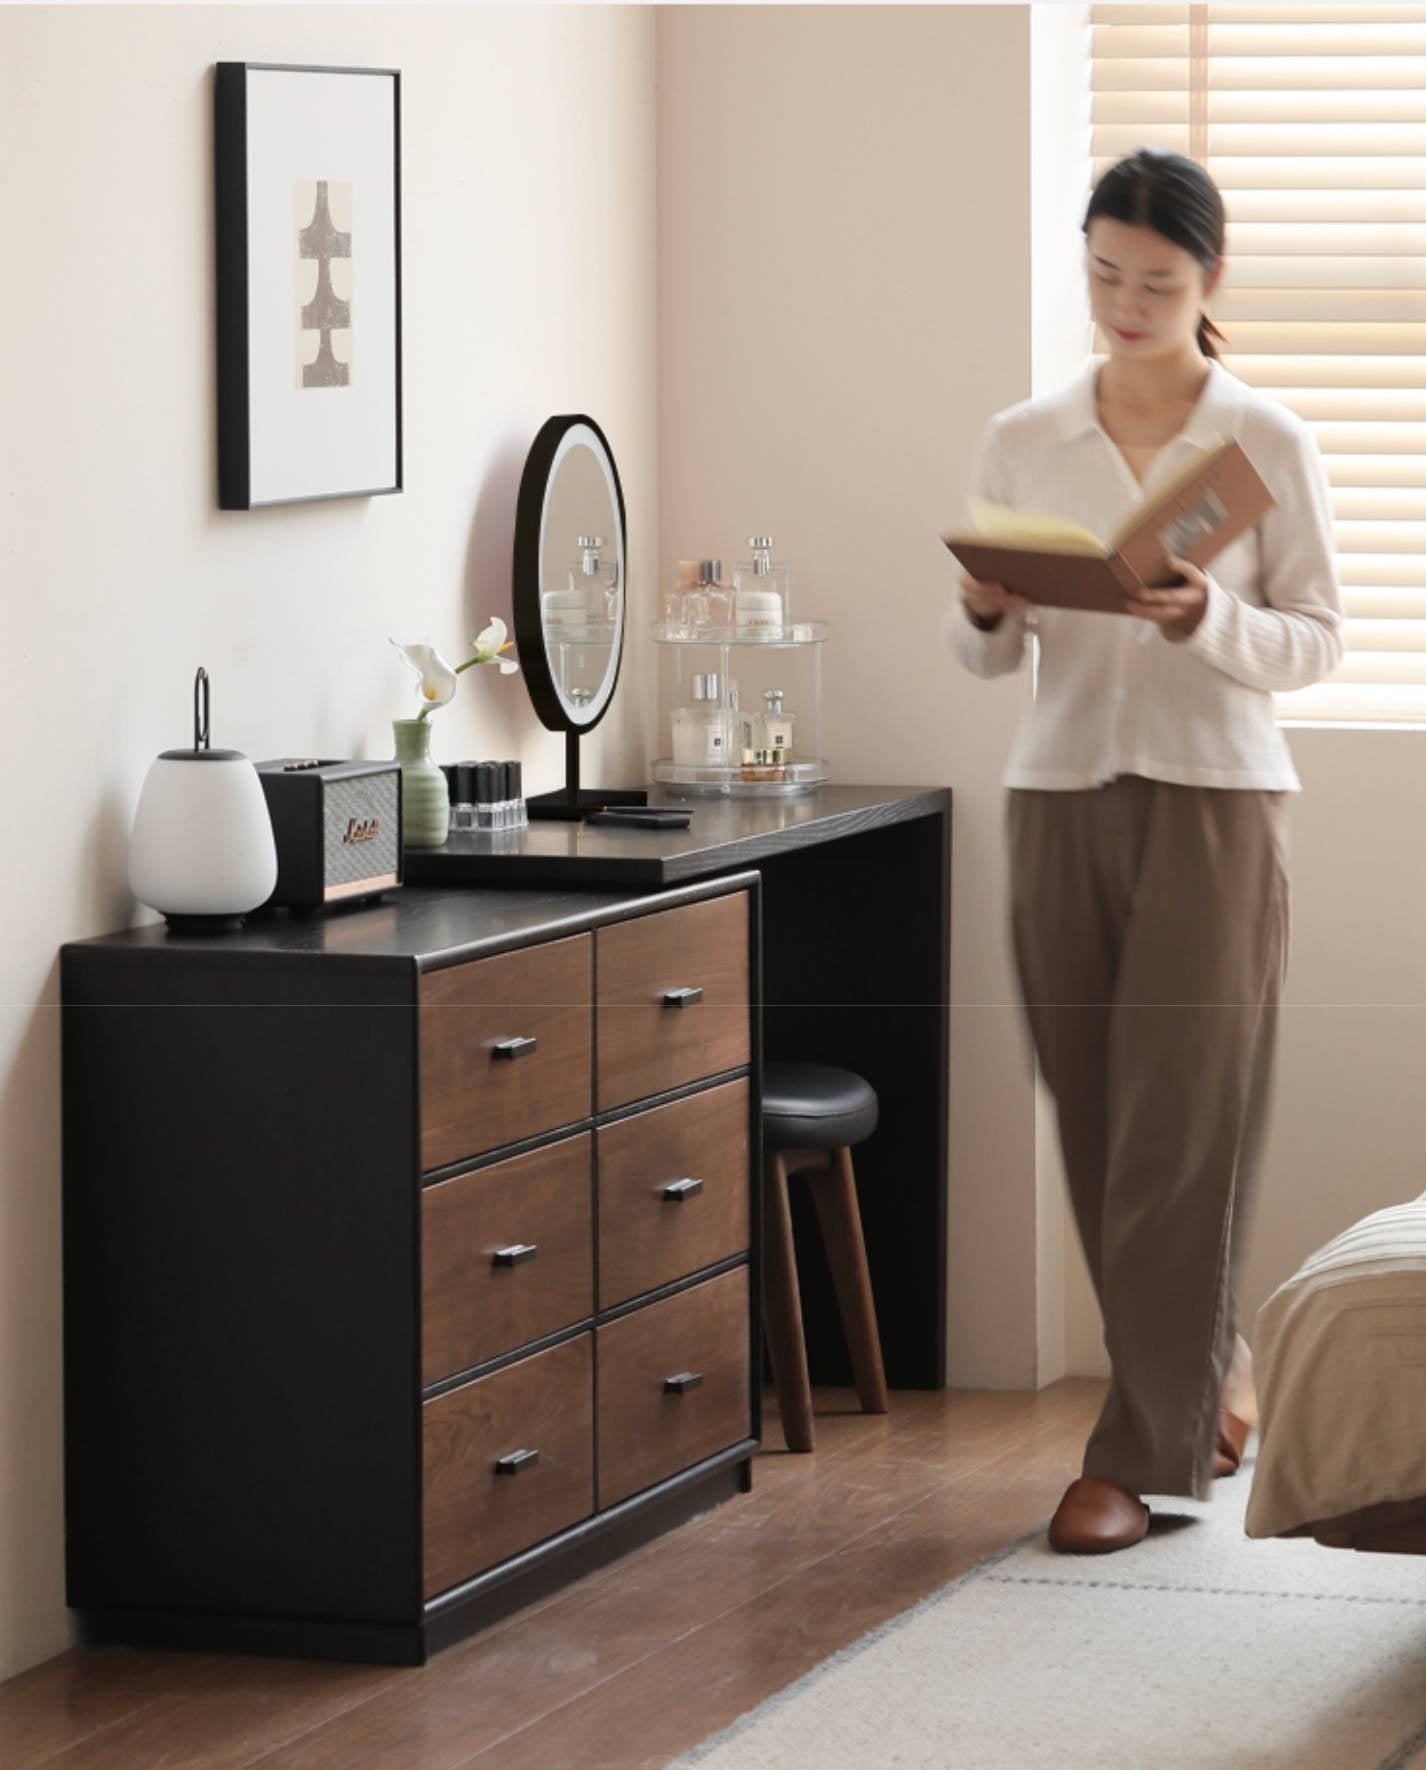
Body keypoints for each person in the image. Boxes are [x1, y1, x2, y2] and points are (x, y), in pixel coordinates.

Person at [944, 148, 1344, 1554]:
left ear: (1207, 281)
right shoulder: (1024, 435)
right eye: (1103, 272)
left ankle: (1139, 1456)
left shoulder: (1262, 445)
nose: (1123, 302)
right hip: (1056, 793)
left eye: (1154, 282)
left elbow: (1316, 638)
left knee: (1181, 1133)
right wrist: (989, 608)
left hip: (1215, 800)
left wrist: (1203, 620)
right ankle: (1207, 1382)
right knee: (1100, 1122)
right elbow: (981, 655)